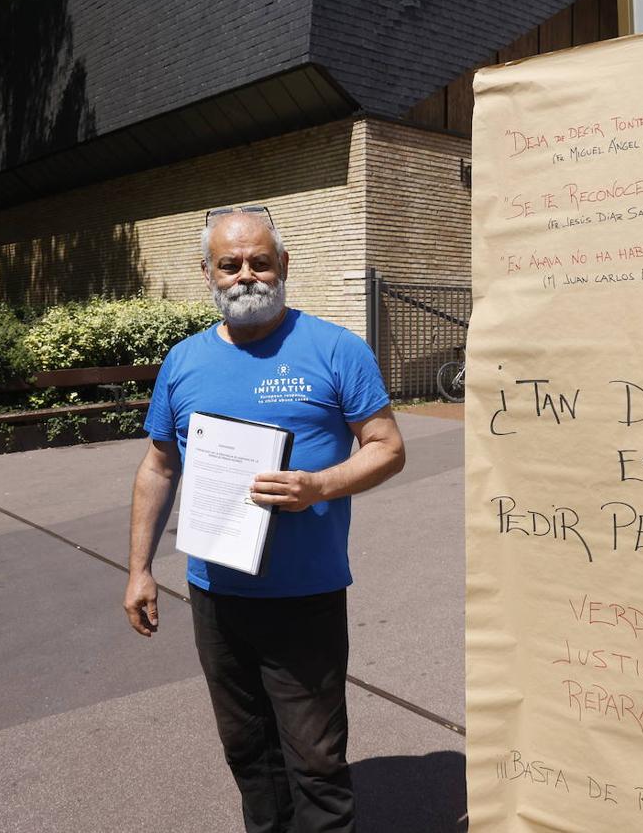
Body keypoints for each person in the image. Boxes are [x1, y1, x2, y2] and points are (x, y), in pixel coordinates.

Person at [124, 208, 405, 833]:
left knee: (316, 761)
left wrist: (319, 485)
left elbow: (388, 446)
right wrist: (139, 568)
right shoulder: (184, 361)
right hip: (216, 595)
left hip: (306, 595)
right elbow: (159, 466)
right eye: (230, 265)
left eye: (260, 261)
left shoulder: (335, 348)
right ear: (208, 274)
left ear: (283, 266)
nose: (246, 274)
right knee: (249, 754)